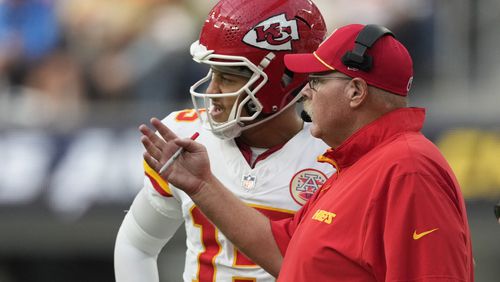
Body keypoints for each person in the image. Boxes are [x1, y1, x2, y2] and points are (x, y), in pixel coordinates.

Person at [139, 24, 475, 281]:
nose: (305, 92)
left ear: (355, 91)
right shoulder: (356, 163)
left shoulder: (408, 168)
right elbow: (282, 251)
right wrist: (202, 185)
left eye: (315, 80)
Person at [114, 0, 334, 281]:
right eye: (213, 73)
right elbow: (137, 243)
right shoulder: (186, 134)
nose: (212, 90)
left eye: (229, 78)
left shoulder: (334, 158)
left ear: (284, 80)